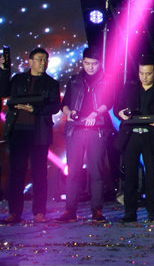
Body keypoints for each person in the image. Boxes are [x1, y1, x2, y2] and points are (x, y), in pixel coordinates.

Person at [3, 47, 61, 224]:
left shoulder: (51, 83)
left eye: (45, 60)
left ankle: (39, 211)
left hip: (39, 133)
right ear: (30, 61)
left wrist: (35, 109)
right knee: (16, 173)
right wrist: (3, 71)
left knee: (39, 173)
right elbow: (4, 92)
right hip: (18, 131)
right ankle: (14, 212)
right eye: (39, 59)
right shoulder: (18, 79)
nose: (43, 63)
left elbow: (55, 107)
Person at [59, 47, 114, 222]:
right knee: (73, 171)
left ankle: (97, 210)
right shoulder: (75, 80)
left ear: (100, 63)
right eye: (87, 63)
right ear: (82, 62)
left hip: (96, 130)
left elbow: (109, 102)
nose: (90, 67)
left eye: (94, 64)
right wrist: (69, 112)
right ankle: (70, 210)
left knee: (96, 171)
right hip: (75, 129)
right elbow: (65, 103)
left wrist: (95, 113)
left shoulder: (107, 80)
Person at [116, 59, 154, 222]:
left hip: (150, 136)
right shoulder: (130, 88)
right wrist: (121, 113)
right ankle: (130, 212)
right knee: (130, 175)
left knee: (151, 175)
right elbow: (117, 107)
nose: (144, 77)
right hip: (131, 135)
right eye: (141, 73)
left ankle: (152, 212)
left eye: (148, 74)